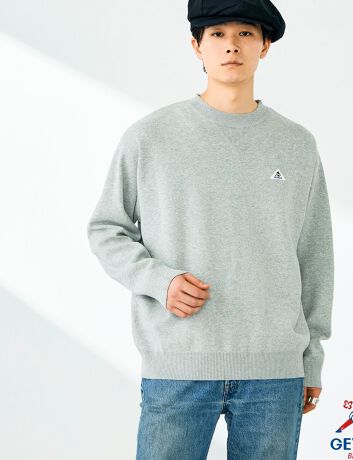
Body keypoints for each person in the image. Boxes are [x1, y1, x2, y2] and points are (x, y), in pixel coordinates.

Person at [86, 0, 334, 458]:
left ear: (265, 46)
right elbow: (106, 228)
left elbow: (314, 253)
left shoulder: (296, 144)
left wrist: (311, 357)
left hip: (275, 372)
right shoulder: (150, 136)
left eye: (245, 34)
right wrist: (159, 281)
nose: (231, 46)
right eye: (217, 34)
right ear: (196, 46)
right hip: (177, 366)